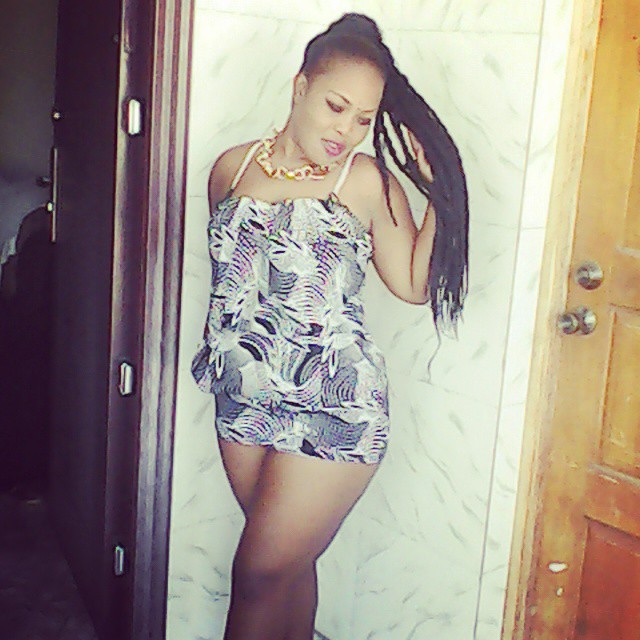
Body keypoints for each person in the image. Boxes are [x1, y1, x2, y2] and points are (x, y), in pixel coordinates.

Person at [191, 12, 468, 640]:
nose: (346, 130)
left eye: (363, 119)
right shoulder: (230, 168)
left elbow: (413, 283)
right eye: (336, 107)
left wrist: (436, 193)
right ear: (300, 88)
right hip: (243, 397)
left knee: (257, 575)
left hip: (333, 403)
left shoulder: (364, 181)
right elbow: (233, 285)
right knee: (286, 570)